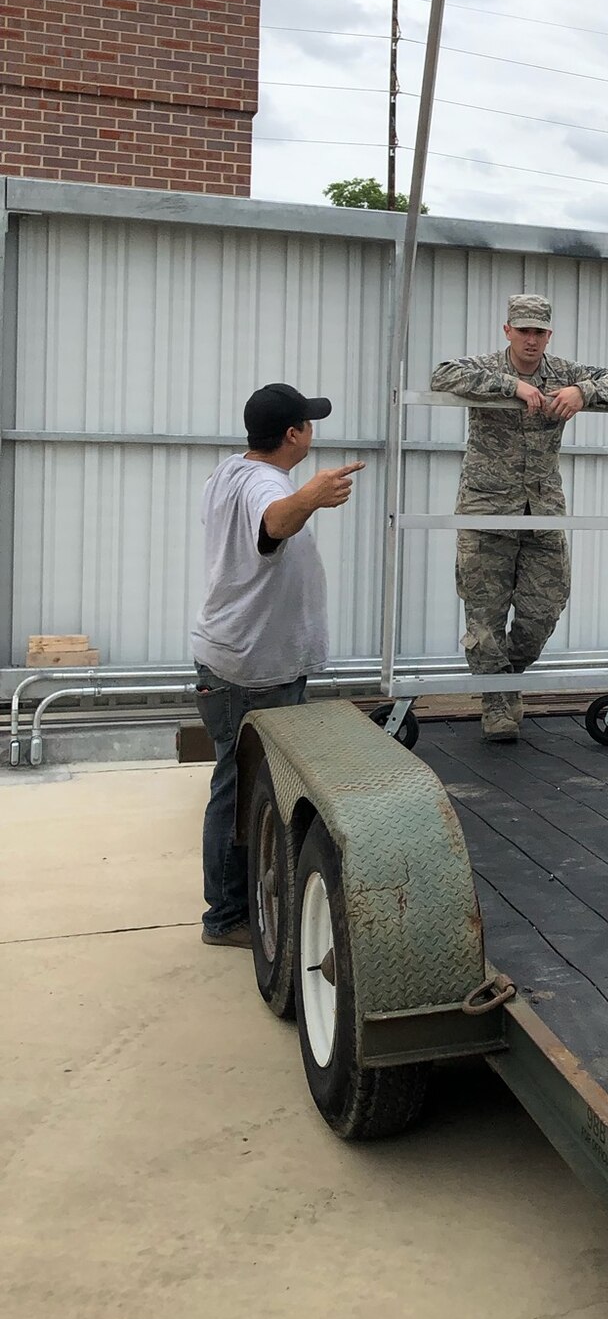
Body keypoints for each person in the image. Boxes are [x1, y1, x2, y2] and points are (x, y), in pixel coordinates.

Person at [191, 383, 362, 946]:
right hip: (253, 675)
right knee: (240, 792)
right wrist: (310, 496)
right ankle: (227, 918)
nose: (313, 430)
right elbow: (274, 524)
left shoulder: (231, 470)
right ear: (294, 435)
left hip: (233, 659)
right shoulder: (268, 484)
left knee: (236, 786)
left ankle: (236, 906)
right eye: (308, 423)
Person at [431, 293, 608, 743]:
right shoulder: (485, 365)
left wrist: (584, 391)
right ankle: (498, 704)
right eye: (522, 330)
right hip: (487, 510)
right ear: (507, 330)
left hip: (542, 510)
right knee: (484, 617)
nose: (530, 339)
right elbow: (442, 374)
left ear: (549, 335)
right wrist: (512, 388)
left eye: (538, 332)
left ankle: (508, 678)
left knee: (543, 611)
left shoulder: (563, 373)